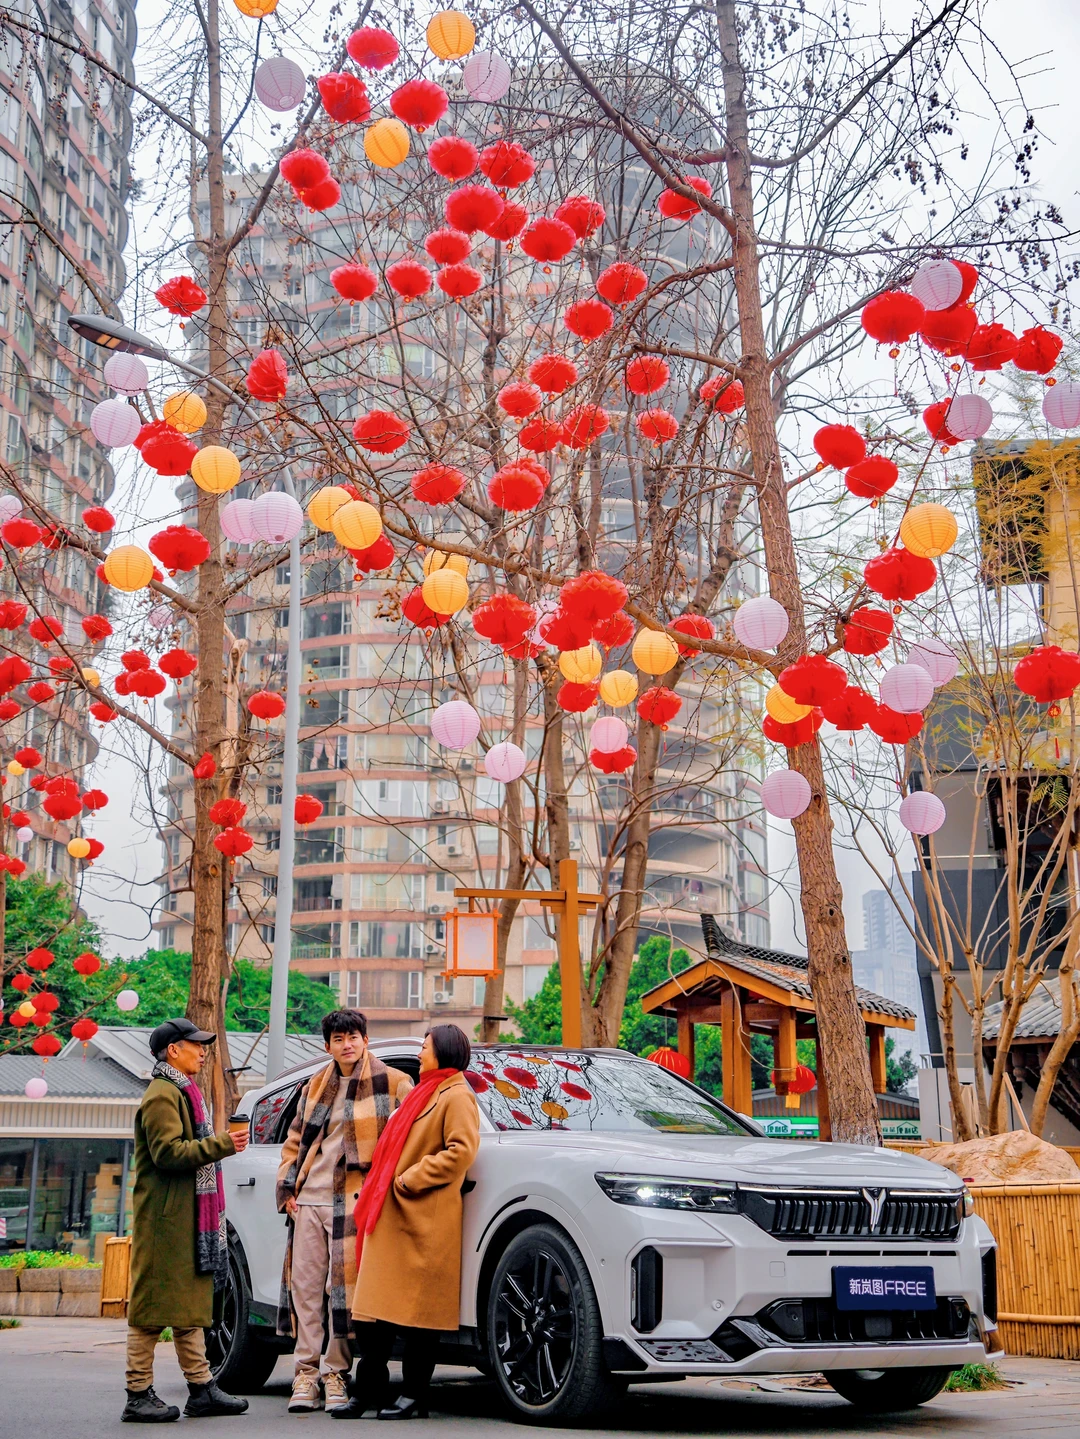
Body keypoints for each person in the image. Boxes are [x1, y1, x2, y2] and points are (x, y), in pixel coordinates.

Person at [332, 1023, 480, 1422]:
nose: (419, 1054)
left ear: (444, 1052)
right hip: (390, 1215)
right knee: (371, 1314)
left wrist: (408, 1179)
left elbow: (460, 1151)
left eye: (426, 1047)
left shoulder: (457, 1095)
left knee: (418, 1318)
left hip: (420, 1217)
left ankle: (415, 1397)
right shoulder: (424, 1090)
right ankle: (370, 1393)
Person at [276, 1009, 412, 1414]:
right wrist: (286, 1189)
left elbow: (410, 1137)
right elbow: (295, 1140)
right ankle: (304, 1373)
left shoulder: (394, 1082)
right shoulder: (316, 1085)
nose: (347, 1044)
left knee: (343, 1294)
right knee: (305, 1289)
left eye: (353, 1036)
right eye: (338, 1039)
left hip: (354, 1202)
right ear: (328, 1046)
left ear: (366, 1039)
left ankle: (335, 1373)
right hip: (309, 1201)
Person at [123, 1018, 250, 1424]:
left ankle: (201, 1388)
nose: (202, 1050)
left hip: (184, 1219)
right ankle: (138, 1393)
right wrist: (222, 1145)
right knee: (151, 1311)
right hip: (166, 1221)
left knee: (188, 1307)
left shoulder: (182, 1091)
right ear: (173, 1050)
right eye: (194, 1044)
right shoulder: (163, 1095)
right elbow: (168, 1154)